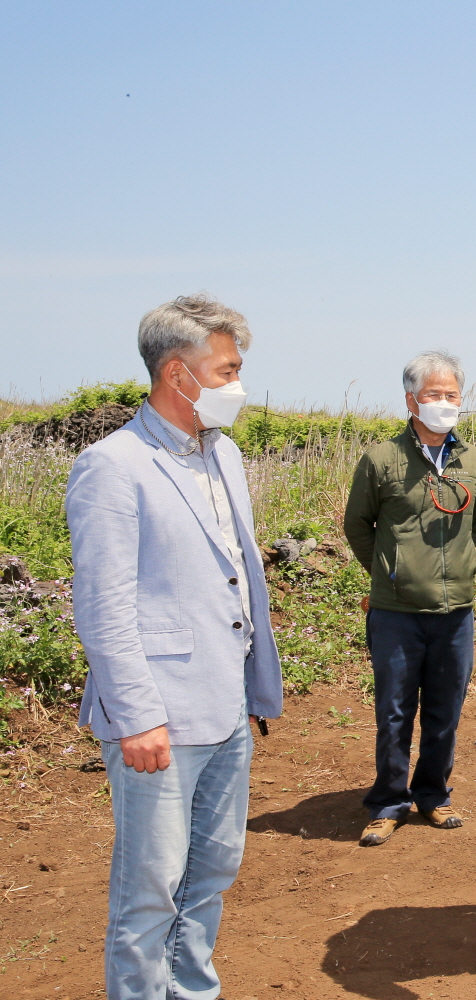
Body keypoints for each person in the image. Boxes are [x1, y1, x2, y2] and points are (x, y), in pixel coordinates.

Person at [67, 294, 283, 999]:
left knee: (211, 875)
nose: (237, 384)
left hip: (224, 709)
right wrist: (136, 714)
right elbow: (104, 607)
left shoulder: (224, 456)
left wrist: (255, 685)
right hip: (159, 715)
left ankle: (192, 990)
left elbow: (234, 580)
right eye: (226, 369)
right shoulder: (113, 466)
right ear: (176, 374)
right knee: (150, 890)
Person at [343, 351, 476, 847]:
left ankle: (432, 794)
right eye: (434, 395)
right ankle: (388, 801)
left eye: (451, 395)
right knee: (394, 711)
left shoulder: (473, 460)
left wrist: (460, 568)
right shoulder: (381, 459)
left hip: (456, 612)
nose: (444, 404)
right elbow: (357, 525)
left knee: (446, 710)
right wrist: (390, 573)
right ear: (411, 400)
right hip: (396, 613)